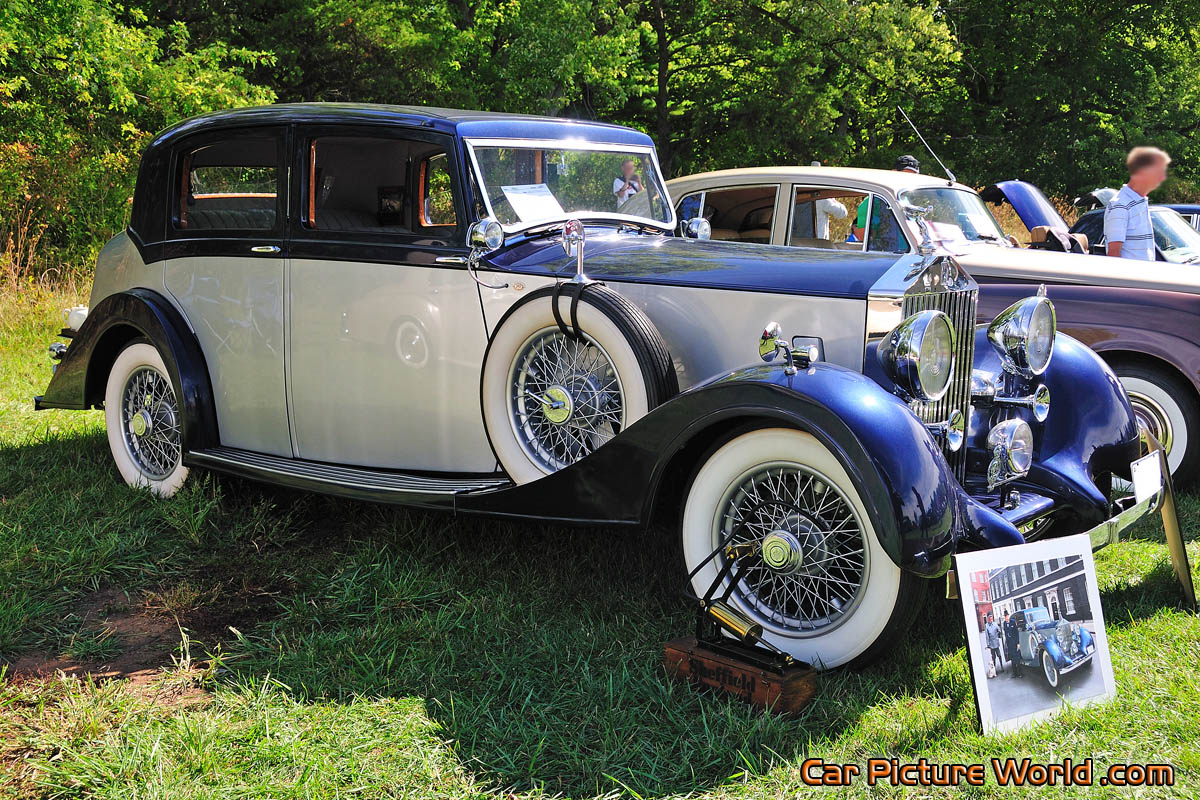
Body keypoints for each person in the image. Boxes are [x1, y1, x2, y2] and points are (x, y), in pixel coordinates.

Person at [1105, 146, 1170, 261]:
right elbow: (1113, 255)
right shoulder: (1120, 205)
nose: (1162, 178)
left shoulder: (1140, 202)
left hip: (1143, 277)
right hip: (1129, 278)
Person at [853, 155, 920, 240]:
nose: (909, 180)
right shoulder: (870, 203)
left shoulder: (907, 201)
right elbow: (863, 238)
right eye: (904, 175)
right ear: (893, 172)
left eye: (913, 177)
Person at [1003, 610, 1022, 678]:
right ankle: (1015, 673)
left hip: (1014, 643)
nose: (1006, 617)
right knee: (1012, 659)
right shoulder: (1004, 623)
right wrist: (1007, 644)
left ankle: (1019, 673)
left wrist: (1018, 643)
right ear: (1004, 617)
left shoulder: (1013, 622)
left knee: (1017, 658)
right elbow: (1005, 633)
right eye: (1005, 616)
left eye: (1007, 616)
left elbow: (1016, 633)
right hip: (1009, 644)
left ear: (1009, 616)